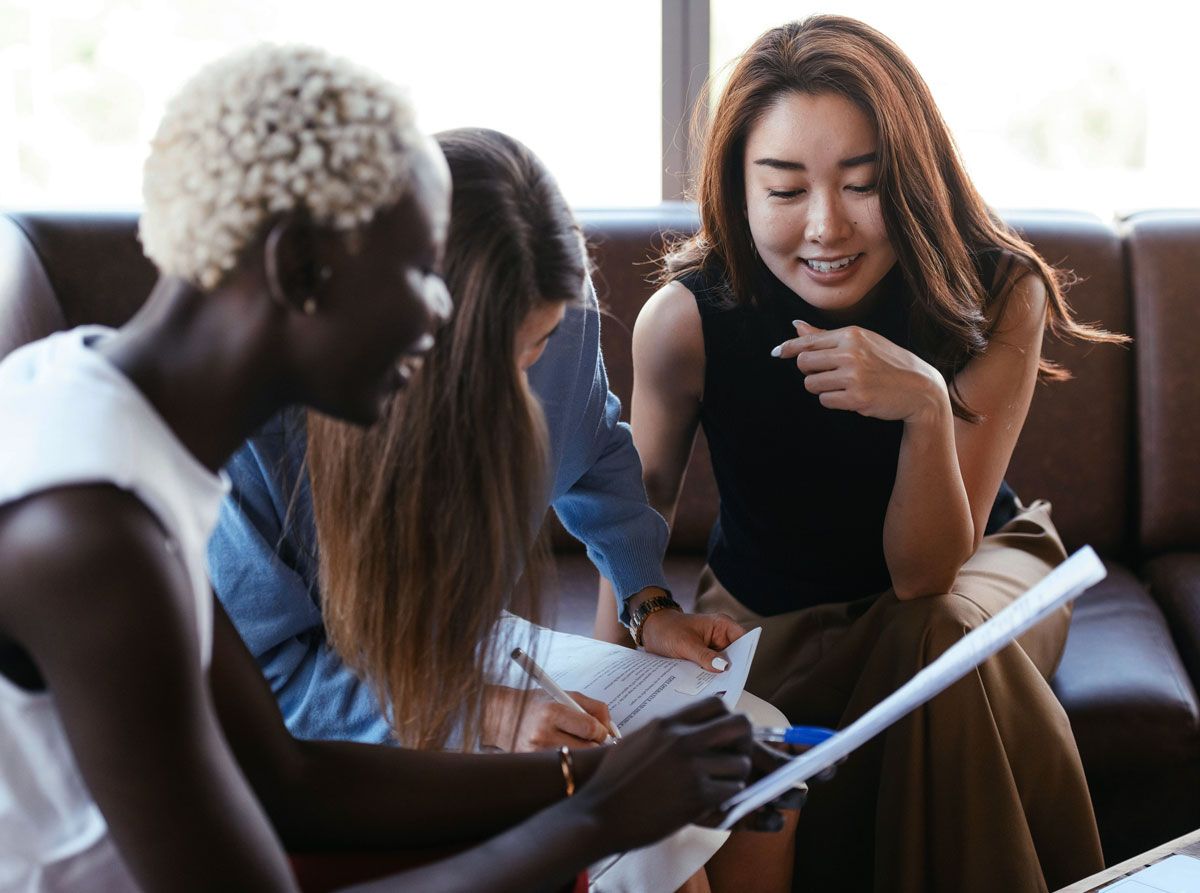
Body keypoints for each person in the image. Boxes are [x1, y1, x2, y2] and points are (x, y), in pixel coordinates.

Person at [0, 45, 782, 893]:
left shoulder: (108, 418)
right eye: (417, 275)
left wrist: (594, 778)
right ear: (300, 269)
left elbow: (286, 777)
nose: (435, 314)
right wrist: (594, 816)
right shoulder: (86, 533)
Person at [212, 125, 799, 893]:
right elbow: (269, 682)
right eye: (497, 355)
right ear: (410, 324)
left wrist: (645, 599)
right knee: (656, 841)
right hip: (338, 712)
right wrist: (482, 713)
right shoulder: (262, 416)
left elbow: (595, 448)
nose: (523, 388)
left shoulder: (561, 314)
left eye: (542, 344)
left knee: (754, 740)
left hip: (467, 645)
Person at [622, 15, 1126, 893]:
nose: (826, 227)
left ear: (915, 179)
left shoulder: (999, 292)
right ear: (736, 193)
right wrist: (610, 685)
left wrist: (927, 407)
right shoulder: (684, 322)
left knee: (934, 638)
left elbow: (928, 574)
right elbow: (635, 504)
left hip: (975, 572)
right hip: (768, 607)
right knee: (925, 653)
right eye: (784, 191)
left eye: (864, 185)